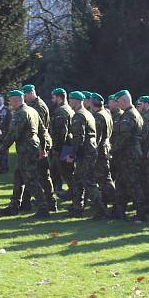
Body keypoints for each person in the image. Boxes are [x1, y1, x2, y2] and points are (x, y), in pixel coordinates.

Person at [0, 90, 52, 218]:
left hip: (27, 150)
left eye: (10, 101)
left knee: (31, 179)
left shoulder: (21, 114)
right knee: (18, 177)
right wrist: (45, 147)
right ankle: (14, 206)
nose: (9, 104)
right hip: (33, 148)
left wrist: (0, 150)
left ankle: (43, 208)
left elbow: (12, 135)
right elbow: (43, 131)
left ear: (15, 100)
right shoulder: (32, 110)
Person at [66, 91, 106, 219]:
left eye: (70, 100)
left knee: (88, 182)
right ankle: (77, 208)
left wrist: (72, 155)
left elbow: (79, 138)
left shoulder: (79, 116)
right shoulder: (87, 113)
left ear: (77, 101)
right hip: (88, 151)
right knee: (77, 180)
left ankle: (101, 210)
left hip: (85, 153)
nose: (69, 102)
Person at [110, 90, 147, 222]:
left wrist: (112, 150)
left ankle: (141, 214)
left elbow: (123, 137)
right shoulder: (131, 113)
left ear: (124, 101)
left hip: (129, 154)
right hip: (127, 154)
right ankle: (119, 211)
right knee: (121, 184)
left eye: (118, 101)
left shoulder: (129, 115)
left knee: (134, 184)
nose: (117, 103)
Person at [90, 93, 115, 208]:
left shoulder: (98, 116)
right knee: (105, 177)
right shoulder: (106, 113)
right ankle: (109, 201)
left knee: (104, 179)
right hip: (105, 148)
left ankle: (115, 202)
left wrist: (92, 152)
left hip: (100, 151)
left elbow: (97, 137)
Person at [50, 87, 74, 199]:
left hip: (64, 147)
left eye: (53, 97)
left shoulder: (61, 111)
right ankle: (51, 196)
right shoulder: (68, 109)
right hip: (66, 146)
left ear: (59, 97)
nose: (52, 99)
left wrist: (56, 148)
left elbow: (61, 133)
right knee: (54, 172)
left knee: (66, 172)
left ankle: (74, 194)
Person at [0, 95, 11, 172]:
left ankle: (5, 168)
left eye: (0, 99)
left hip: (4, 135)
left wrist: (7, 133)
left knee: (4, 152)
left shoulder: (7, 110)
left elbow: (9, 122)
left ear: (3, 100)